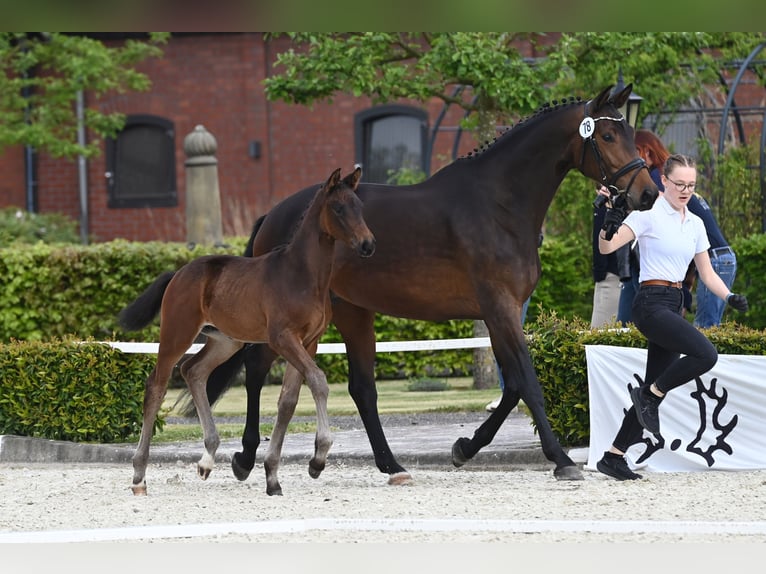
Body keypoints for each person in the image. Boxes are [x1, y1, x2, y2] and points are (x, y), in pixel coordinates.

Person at [594, 153, 749, 481]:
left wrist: (729, 296)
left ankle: (613, 456)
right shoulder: (647, 216)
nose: (685, 190)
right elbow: (607, 248)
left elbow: (706, 271)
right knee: (705, 354)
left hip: (674, 301)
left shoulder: (694, 223)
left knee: (654, 385)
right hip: (650, 303)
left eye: (691, 185)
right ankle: (650, 395)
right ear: (664, 180)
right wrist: (606, 219)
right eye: (679, 184)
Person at [633, 130, 737, 328]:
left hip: (714, 258)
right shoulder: (669, 175)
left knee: (705, 328)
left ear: (647, 152)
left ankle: (703, 358)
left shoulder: (656, 177)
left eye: (635, 152)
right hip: (721, 256)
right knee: (705, 326)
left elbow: (655, 214)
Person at [486, 232, 542, 412]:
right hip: (504, 278)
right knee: (505, 339)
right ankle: (508, 392)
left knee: (511, 339)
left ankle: (512, 393)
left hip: (515, 279)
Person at [591, 186, 629, 328]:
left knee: (601, 332)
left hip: (614, 275)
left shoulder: (623, 205)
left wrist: (601, 273)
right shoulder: (602, 204)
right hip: (608, 274)